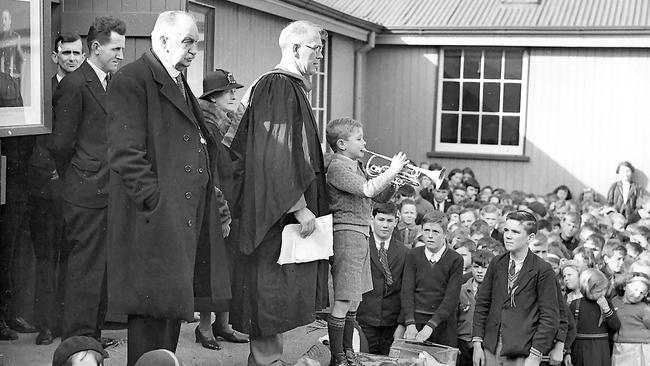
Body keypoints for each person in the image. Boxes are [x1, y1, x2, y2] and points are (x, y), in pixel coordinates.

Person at [107, 11, 231, 366]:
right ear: (162, 41)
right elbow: (125, 154)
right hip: (155, 224)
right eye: (188, 42)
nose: (194, 50)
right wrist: (158, 205)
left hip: (180, 222)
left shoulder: (175, 79)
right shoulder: (132, 79)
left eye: (196, 42)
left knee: (169, 314)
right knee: (151, 320)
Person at [229, 20, 330, 366]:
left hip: (276, 208)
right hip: (275, 211)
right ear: (296, 48)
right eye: (316, 49)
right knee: (269, 293)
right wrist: (298, 205)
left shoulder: (287, 86)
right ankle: (266, 363)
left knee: (275, 294)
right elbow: (276, 152)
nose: (320, 57)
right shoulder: (278, 86)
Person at [49, 16, 126, 345]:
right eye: (116, 48)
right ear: (95, 47)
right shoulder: (75, 84)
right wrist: (81, 175)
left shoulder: (108, 81)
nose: (121, 55)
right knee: (84, 273)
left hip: (104, 192)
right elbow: (61, 145)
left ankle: (91, 339)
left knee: (98, 272)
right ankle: (78, 344)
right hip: (84, 193)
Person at [324, 117, 406, 366]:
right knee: (343, 300)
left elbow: (378, 196)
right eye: (359, 138)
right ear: (341, 144)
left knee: (353, 301)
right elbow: (369, 190)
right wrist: (391, 169)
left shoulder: (354, 165)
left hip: (360, 232)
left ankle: (348, 353)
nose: (365, 142)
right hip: (347, 232)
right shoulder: (338, 167)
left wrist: (394, 181)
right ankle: (338, 358)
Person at [26, 32, 83, 346]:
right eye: (66, 53)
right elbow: (40, 139)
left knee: (74, 258)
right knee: (47, 258)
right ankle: (46, 325)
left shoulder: (88, 88)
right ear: (54, 55)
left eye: (77, 53)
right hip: (47, 188)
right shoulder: (44, 91)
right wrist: (50, 174)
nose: (71, 59)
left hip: (77, 188)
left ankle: (69, 325)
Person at [195, 69, 249, 349]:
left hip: (230, 203)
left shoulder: (223, 123)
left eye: (234, 90)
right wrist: (222, 212)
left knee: (228, 266)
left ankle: (223, 324)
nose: (233, 95)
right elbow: (208, 174)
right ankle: (204, 328)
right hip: (213, 208)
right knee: (211, 267)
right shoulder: (205, 124)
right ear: (213, 98)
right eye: (228, 91)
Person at [472, 210, 560, 366]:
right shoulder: (496, 263)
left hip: (522, 351)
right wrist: (478, 343)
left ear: (530, 237)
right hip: (490, 348)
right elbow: (482, 304)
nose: (508, 235)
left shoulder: (542, 269)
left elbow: (549, 316)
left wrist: (535, 353)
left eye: (515, 232)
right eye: (506, 230)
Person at [401, 211, 463, 347]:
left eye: (436, 232)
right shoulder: (413, 255)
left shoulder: (455, 259)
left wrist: (430, 326)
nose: (430, 236)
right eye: (426, 230)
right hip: (415, 322)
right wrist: (410, 323)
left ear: (445, 234)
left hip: (442, 324)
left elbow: (451, 299)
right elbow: (407, 291)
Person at [357, 204, 408, 356]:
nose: (385, 225)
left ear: (396, 221)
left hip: (391, 322)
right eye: (380, 219)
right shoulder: (361, 244)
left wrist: (402, 322)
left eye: (389, 220)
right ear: (372, 219)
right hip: (364, 317)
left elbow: (407, 290)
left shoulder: (405, 252)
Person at [569, 268, 620, 366]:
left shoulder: (607, 303)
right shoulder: (575, 304)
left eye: (603, 290)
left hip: (601, 348)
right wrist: (568, 352)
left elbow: (615, 326)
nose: (602, 294)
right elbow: (570, 330)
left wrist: (606, 309)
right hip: (581, 348)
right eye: (598, 291)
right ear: (586, 289)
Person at [457, 249, 494, 366]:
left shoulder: (495, 292)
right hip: (462, 342)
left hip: (485, 343)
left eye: (484, 268)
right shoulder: (461, 290)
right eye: (476, 266)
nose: (479, 271)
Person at [610, 274, 650, 366]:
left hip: (640, 347)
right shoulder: (614, 302)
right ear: (624, 286)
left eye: (642, 293)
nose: (637, 294)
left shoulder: (644, 308)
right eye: (635, 289)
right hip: (620, 347)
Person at [0, 9, 24, 81]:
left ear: (10, 20)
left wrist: (19, 74)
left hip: (13, 76)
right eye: (2, 19)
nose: (3, 22)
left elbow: (22, 58)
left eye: (5, 19)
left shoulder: (16, 37)